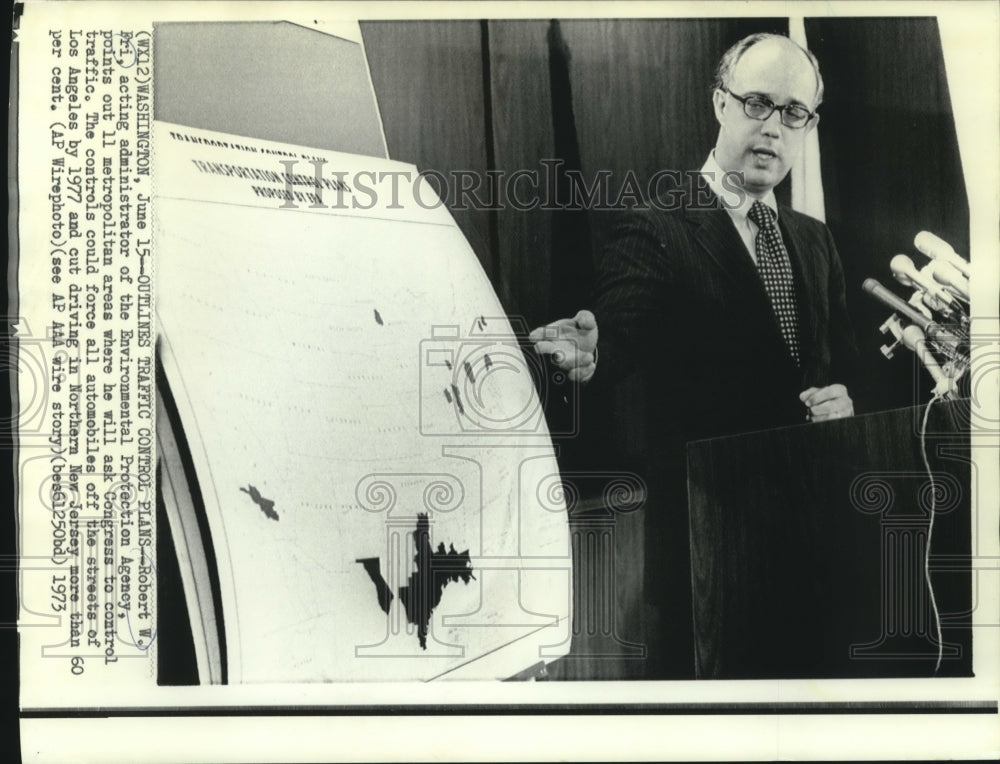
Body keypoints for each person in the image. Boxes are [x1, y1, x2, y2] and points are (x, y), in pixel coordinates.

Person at [529, 33, 859, 678]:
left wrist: (844, 402)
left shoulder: (815, 241)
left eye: (795, 112)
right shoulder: (659, 225)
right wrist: (591, 354)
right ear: (720, 104)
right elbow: (618, 336)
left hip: (813, 544)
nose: (773, 128)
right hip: (708, 558)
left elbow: (838, 371)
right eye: (758, 103)